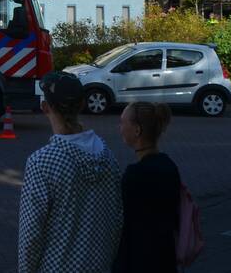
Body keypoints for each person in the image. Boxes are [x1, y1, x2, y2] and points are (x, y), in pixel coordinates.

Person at [18, 72, 122, 273]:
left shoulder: (42, 162)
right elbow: (117, 220)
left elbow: (31, 234)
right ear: (82, 105)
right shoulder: (108, 157)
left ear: (45, 107)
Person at [113, 102, 180, 273]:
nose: (119, 127)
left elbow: (123, 221)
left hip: (138, 259)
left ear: (137, 130)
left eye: (123, 122)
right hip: (165, 256)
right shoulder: (169, 165)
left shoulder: (135, 174)